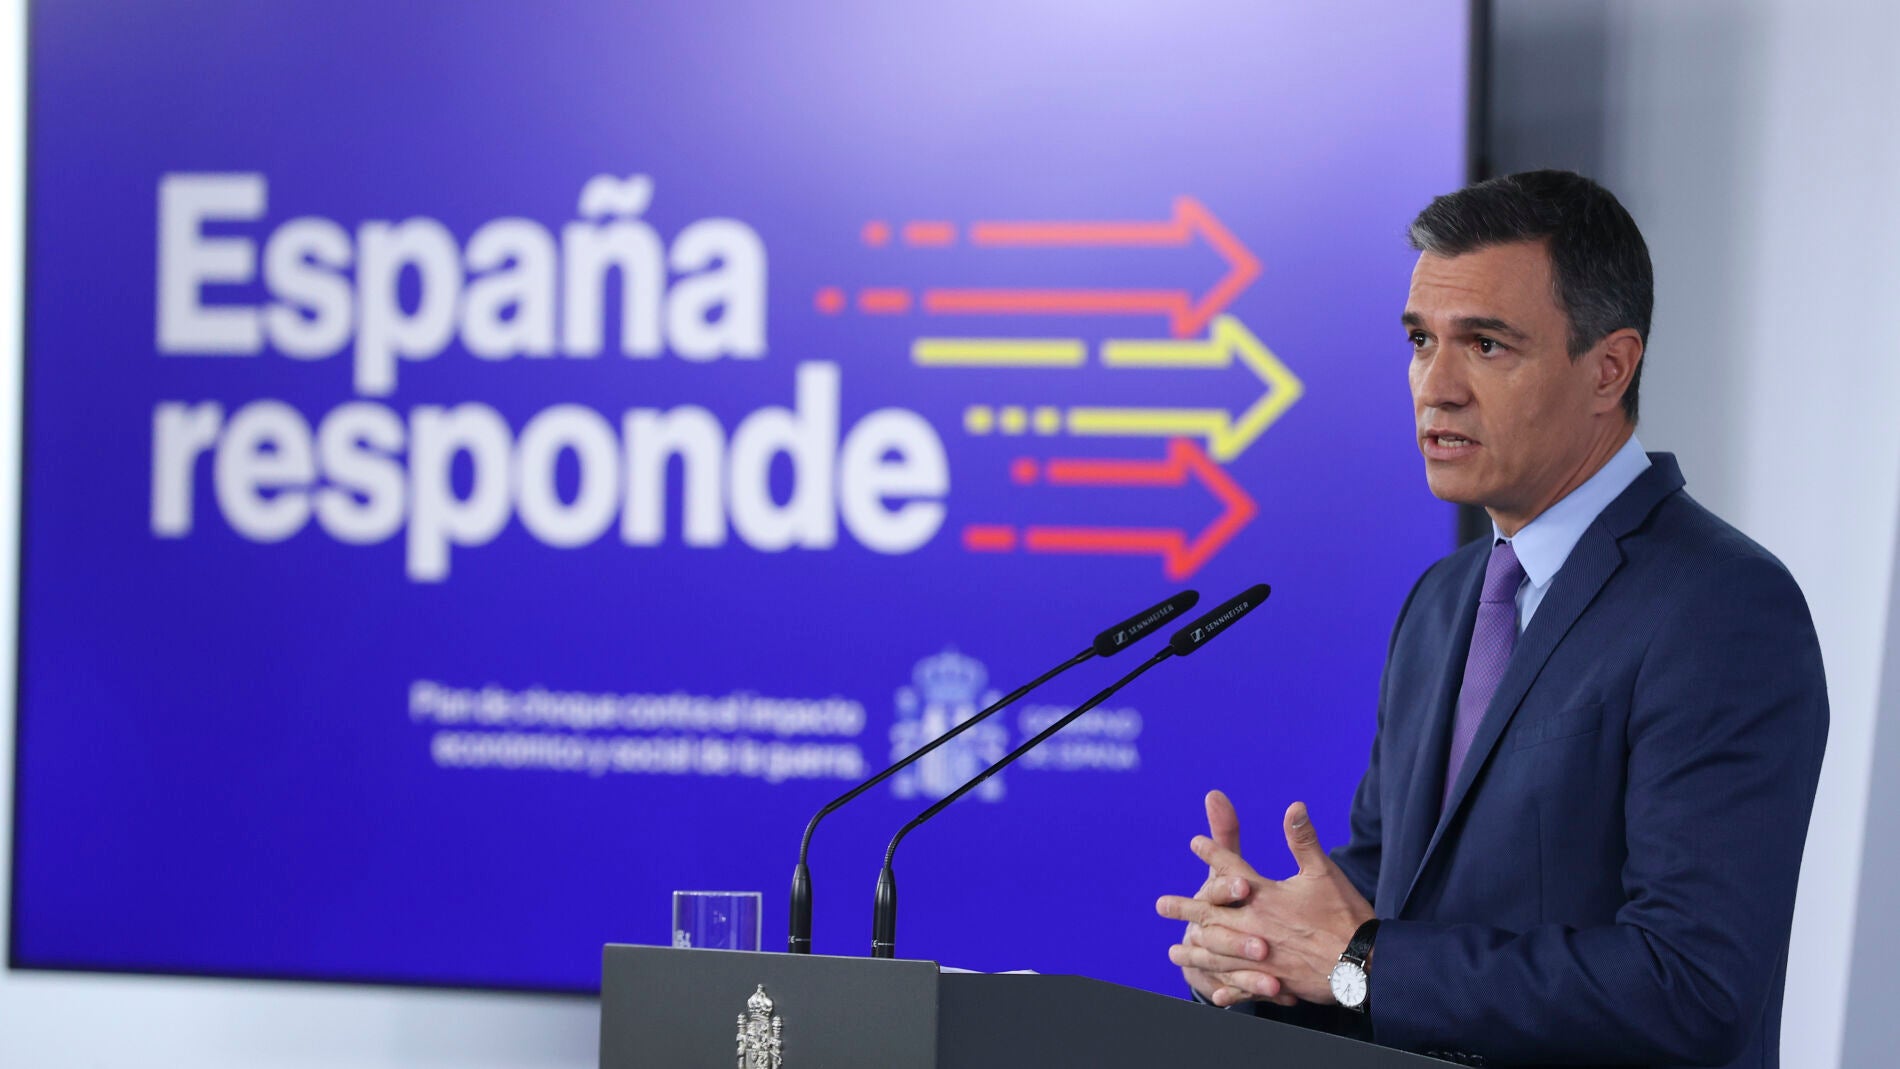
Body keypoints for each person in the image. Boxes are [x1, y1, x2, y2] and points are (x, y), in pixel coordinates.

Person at [1155, 170, 1828, 1067]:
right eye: (1419, 340)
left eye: (1485, 344)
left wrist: (1358, 963)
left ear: (1610, 368)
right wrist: (1260, 946)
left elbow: (1691, 986)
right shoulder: (1442, 600)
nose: (1436, 386)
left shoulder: (1722, 607)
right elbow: (1388, 900)